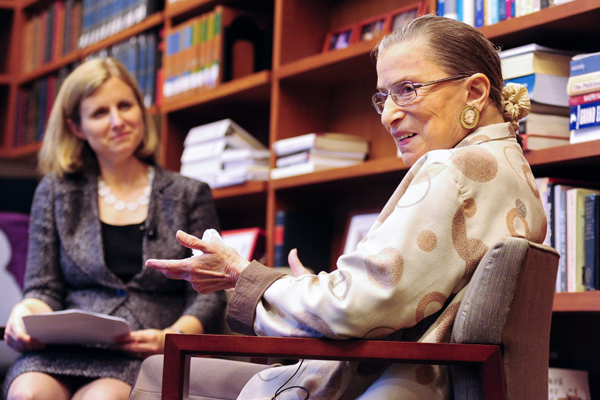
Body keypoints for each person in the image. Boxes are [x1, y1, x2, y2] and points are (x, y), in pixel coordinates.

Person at [130, 14, 547, 400]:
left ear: (474, 91)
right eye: (383, 96)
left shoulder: (451, 170)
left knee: (155, 369)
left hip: (381, 385)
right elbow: (390, 297)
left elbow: (358, 308)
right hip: (424, 381)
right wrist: (309, 287)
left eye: (408, 89)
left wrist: (244, 276)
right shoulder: (513, 169)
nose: (388, 115)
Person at [2, 57, 226, 400]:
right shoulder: (56, 191)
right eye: (100, 113)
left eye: (125, 105)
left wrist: (173, 336)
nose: (118, 121)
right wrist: (24, 313)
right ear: (77, 128)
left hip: (145, 350)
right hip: (63, 349)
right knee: (29, 394)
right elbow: (43, 288)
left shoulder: (188, 194)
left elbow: (208, 294)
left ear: (141, 109)